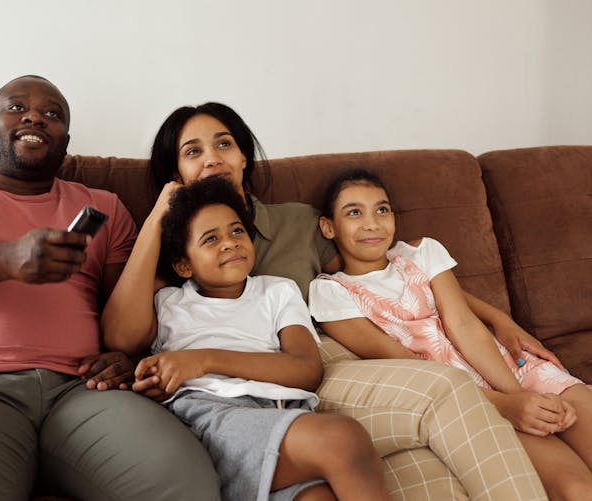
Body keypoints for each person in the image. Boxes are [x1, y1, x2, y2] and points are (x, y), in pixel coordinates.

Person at [102, 102, 548, 499]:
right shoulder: (174, 258)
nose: (213, 157)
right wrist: (161, 213)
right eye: (193, 151)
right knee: (426, 450)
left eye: (224, 143)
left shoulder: (298, 223)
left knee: (437, 432)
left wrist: (496, 318)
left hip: (324, 357)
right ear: (175, 172)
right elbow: (123, 336)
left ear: (243, 156)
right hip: (240, 396)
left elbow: (387, 266)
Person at [0, 75, 219, 501]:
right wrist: (6, 259)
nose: (35, 116)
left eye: (52, 115)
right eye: (16, 108)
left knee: (185, 485)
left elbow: (128, 311)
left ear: (65, 144)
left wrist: (128, 357)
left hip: (83, 391)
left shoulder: (103, 207)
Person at [309, 168, 592, 499]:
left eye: (382, 210)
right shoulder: (331, 293)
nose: (372, 223)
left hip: (511, 371)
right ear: (329, 226)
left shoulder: (421, 253)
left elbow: (465, 326)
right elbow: (408, 367)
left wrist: (522, 396)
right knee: (577, 489)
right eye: (354, 212)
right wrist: (507, 405)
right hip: (468, 403)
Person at [131, 175, 389, 500]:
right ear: (184, 264)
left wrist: (204, 359)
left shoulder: (278, 291)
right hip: (211, 417)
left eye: (237, 231)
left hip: (283, 412)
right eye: (210, 239)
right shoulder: (168, 301)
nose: (229, 243)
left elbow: (307, 370)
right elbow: (122, 339)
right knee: (342, 438)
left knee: (317, 497)